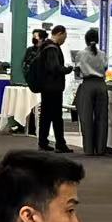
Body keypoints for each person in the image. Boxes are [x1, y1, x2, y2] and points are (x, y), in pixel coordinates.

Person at [72, 30, 110, 157]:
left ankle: (89, 149)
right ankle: (100, 149)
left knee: (86, 118)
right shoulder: (102, 54)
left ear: (86, 40)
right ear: (97, 40)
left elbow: (77, 72)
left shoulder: (80, 54)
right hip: (101, 85)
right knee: (102, 118)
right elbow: (105, 68)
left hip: (87, 85)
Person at [36, 24, 70, 154]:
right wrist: (67, 69)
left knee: (46, 115)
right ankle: (60, 144)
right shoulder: (52, 48)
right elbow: (54, 68)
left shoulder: (45, 46)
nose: (64, 40)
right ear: (60, 34)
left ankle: (43, 142)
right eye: (64, 37)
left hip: (46, 87)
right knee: (56, 117)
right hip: (53, 87)